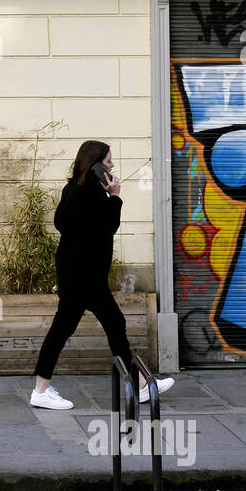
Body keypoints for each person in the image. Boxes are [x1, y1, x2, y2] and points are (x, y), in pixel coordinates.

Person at [30, 140, 173, 410]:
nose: (113, 165)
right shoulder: (90, 194)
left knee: (106, 325)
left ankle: (140, 384)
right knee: (71, 329)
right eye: (108, 162)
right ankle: (41, 390)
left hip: (79, 273)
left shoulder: (73, 189)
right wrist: (116, 196)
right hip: (85, 276)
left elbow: (62, 223)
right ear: (95, 164)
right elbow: (107, 228)